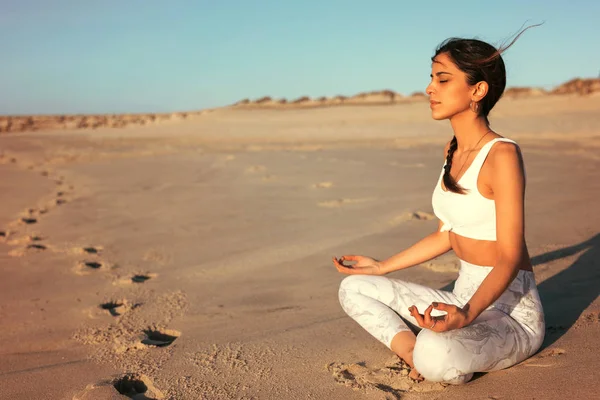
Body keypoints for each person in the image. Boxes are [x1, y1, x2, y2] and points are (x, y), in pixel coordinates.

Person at [332, 29, 545, 385]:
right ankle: (414, 354)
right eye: (431, 78)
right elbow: (447, 233)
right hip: (462, 296)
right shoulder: (453, 148)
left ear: (478, 90)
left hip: (509, 312)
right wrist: (382, 266)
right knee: (354, 287)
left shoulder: (502, 155)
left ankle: (431, 354)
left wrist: (466, 315)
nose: (430, 88)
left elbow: (509, 256)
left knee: (437, 349)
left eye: (443, 79)